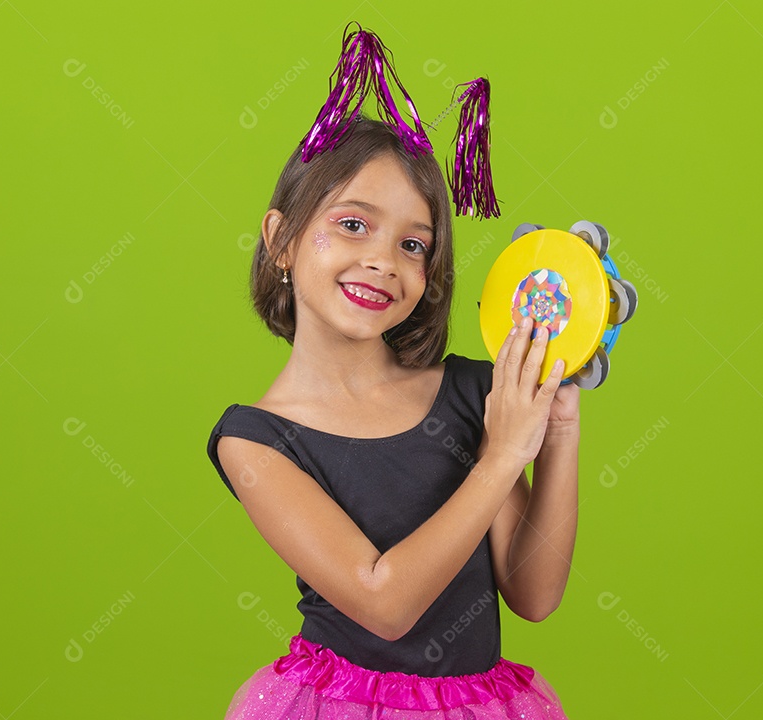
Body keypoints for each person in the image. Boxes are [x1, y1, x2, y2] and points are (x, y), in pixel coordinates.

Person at [206, 25, 580, 720]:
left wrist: (552, 436)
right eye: (353, 224)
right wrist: (502, 455)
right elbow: (384, 603)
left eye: (414, 244)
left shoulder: (471, 393)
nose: (384, 260)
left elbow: (533, 595)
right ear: (281, 240)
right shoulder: (256, 441)